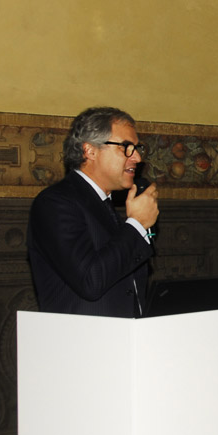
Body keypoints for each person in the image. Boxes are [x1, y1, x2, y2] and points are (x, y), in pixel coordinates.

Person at [28, 107, 160, 317]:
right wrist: (136, 224)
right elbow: (91, 280)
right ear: (90, 151)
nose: (136, 157)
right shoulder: (55, 203)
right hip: (82, 335)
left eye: (137, 148)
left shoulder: (105, 205)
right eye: (126, 147)